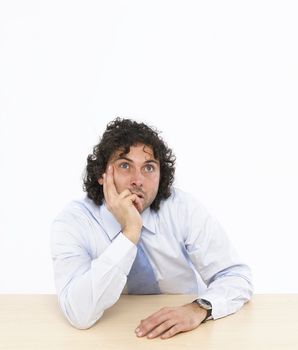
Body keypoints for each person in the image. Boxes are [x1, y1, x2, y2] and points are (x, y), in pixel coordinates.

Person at [51, 118, 253, 339]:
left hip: (185, 336)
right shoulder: (73, 222)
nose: (138, 180)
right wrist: (129, 234)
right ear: (102, 175)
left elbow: (235, 276)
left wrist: (199, 308)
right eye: (125, 165)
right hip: (108, 336)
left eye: (148, 168)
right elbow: (78, 313)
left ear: (160, 175)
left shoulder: (182, 208)